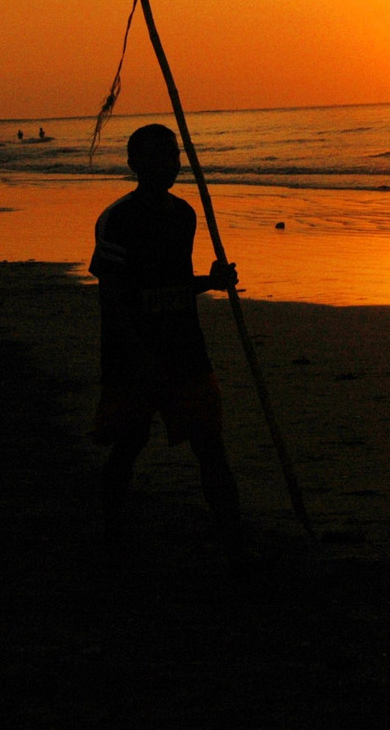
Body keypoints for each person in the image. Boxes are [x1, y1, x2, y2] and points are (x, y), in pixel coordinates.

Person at [90, 123, 242, 563]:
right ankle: (112, 531)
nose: (169, 165)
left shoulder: (184, 215)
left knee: (210, 445)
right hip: (133, 354)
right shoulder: (117, 219)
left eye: (173, 156)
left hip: (184, 348)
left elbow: (173, 283)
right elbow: (113, 295)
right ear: (134, 164)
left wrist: (211, 282)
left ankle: (233, 539)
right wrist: (136, 354)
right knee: (129, 442)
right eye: (157, 158)